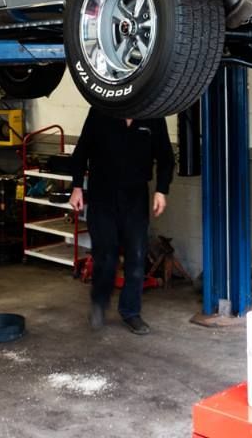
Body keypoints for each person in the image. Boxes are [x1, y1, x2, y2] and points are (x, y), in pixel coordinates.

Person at [69, 107, 173, 334]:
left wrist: (161, 190)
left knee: (136, 256)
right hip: (102, 195)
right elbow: (82, 151)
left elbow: (166, 156)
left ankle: (131, 312)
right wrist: (76, 187)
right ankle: (99, 303)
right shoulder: (100, 112)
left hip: (135, 196)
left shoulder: (153, 116)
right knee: (105, 255)